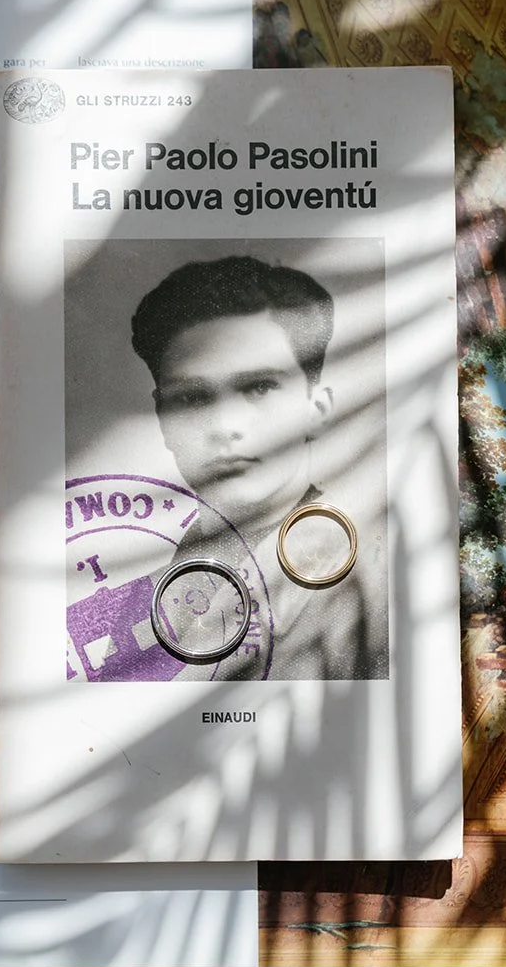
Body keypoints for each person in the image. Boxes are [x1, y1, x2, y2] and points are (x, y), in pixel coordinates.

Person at [130, 255, 387, 680]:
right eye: (192, 398)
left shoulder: (374, 590)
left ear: (317, 409)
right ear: (163, 421)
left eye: (259, 387)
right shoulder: (142, 602)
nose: (226, 426)